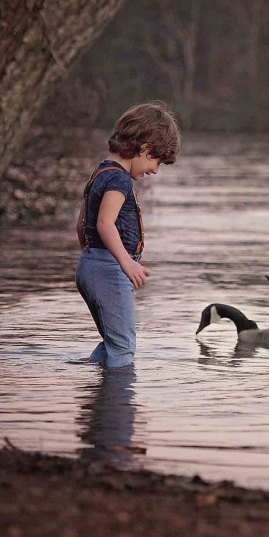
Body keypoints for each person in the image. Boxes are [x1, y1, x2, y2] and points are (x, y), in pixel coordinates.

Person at [75, 102, 181, 367]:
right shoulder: (119, 179)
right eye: (156, 161)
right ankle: (119, 406)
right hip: (108, 268)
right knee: (123, 348)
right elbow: (105, 224)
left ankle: (97, 394)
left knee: (114, 342)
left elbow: (81, 225)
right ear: (144, 149)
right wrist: (124, 261)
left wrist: (90, 262)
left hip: (92, 265)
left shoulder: (99, 172)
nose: (155, 170)